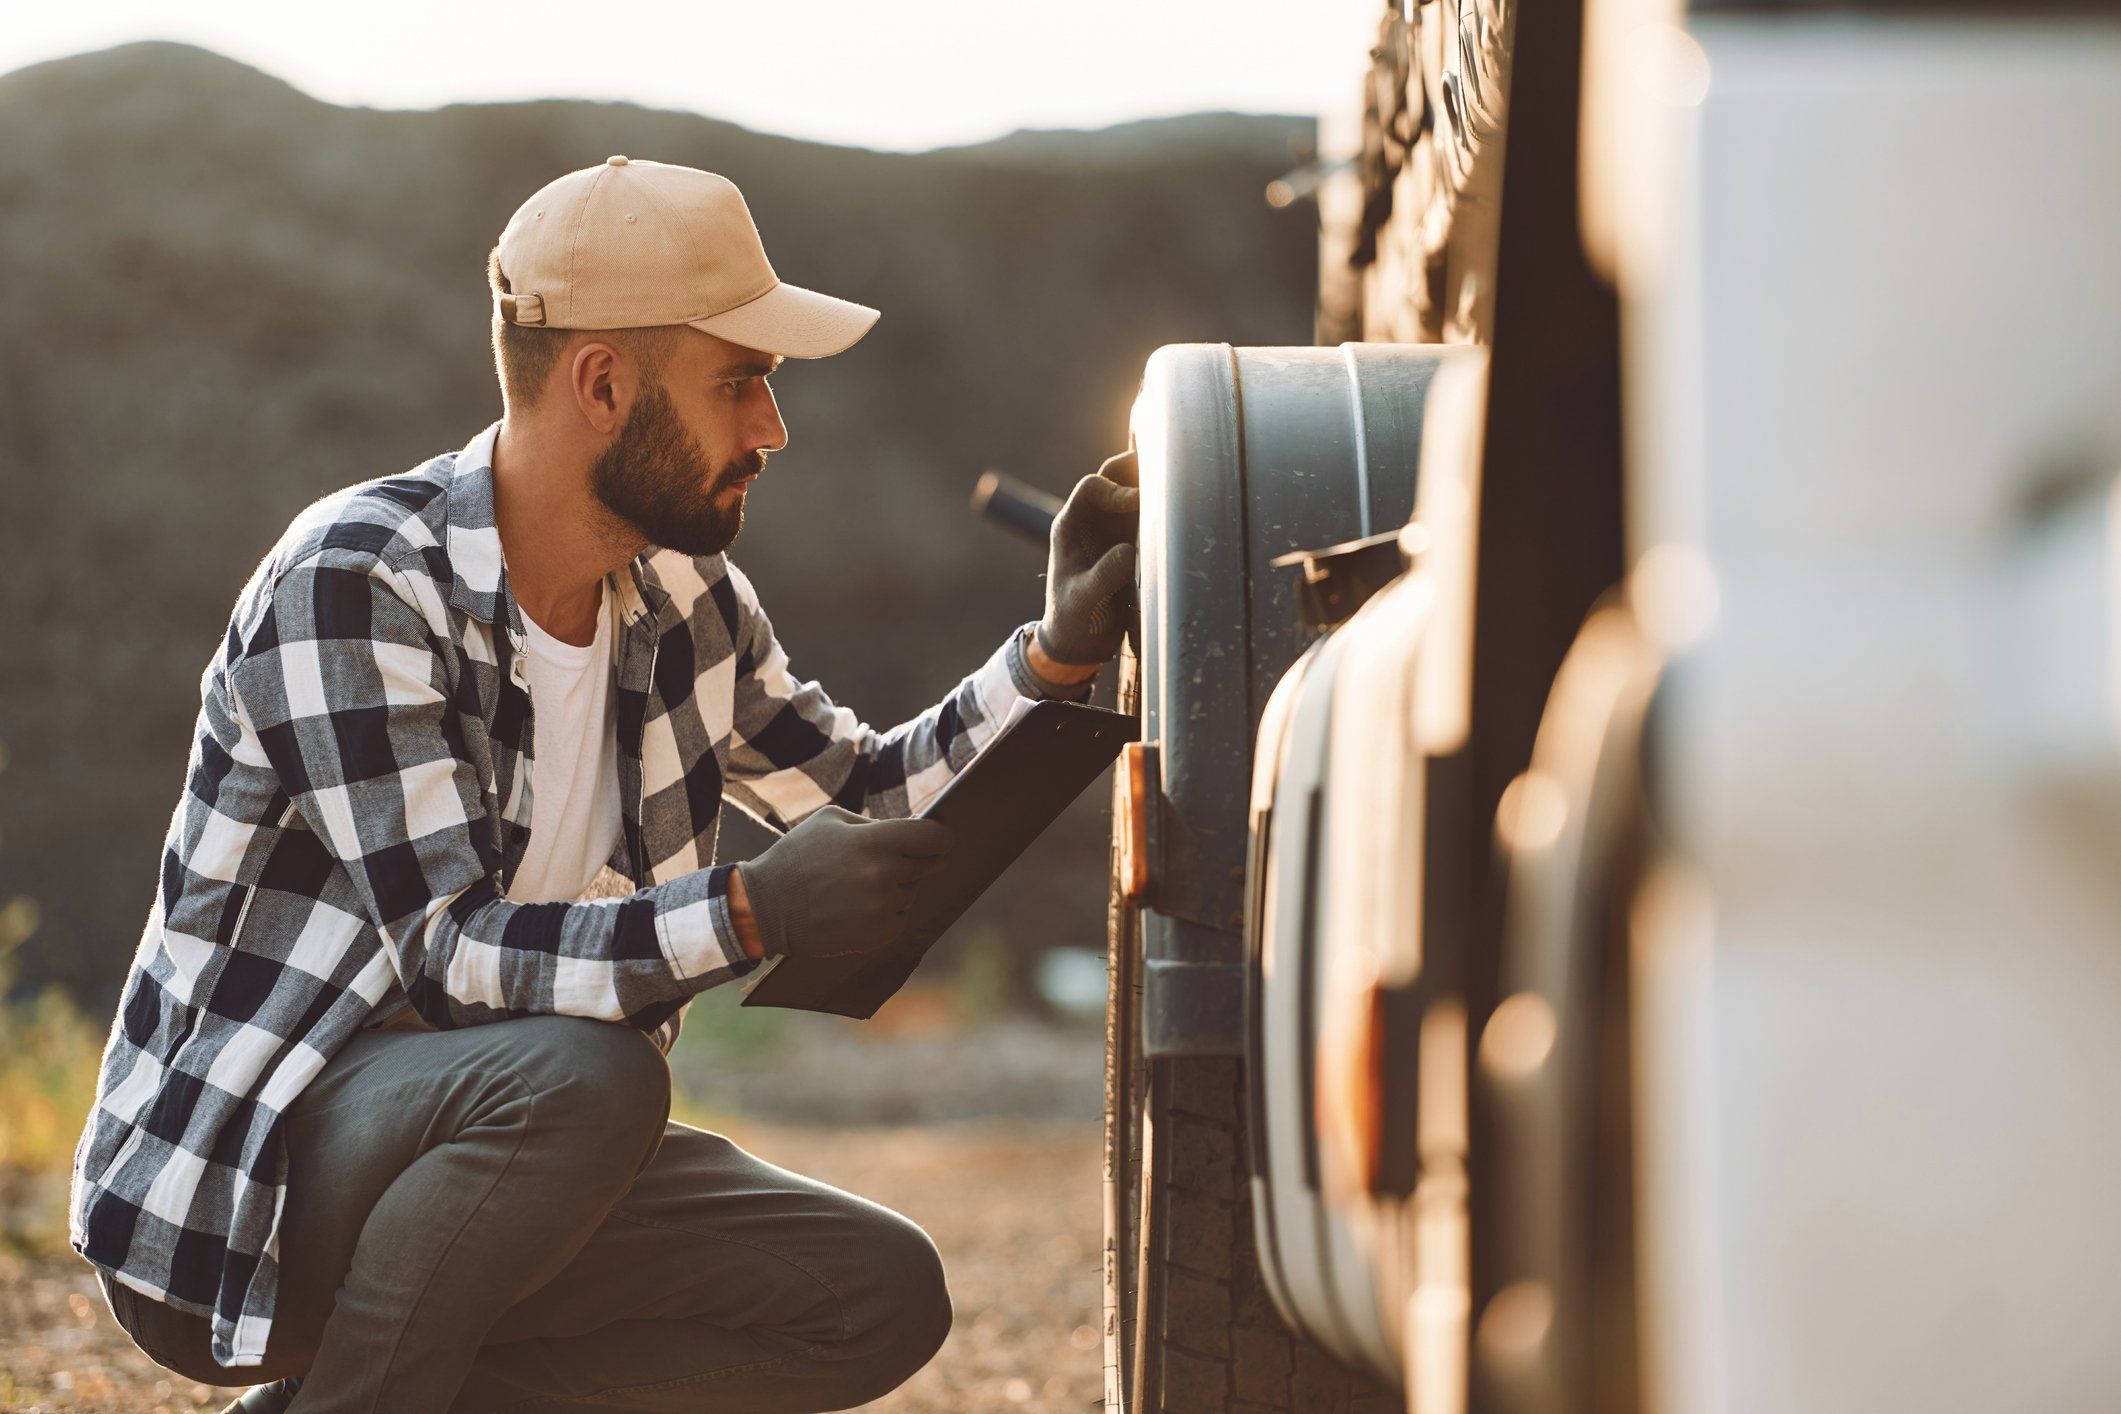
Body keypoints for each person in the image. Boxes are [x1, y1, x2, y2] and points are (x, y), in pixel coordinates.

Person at [68, 156, 1140, 1413]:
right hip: (251, 1199)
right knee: (590, 1077)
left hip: (516, 1163)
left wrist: (1055, 654)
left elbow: (867, 796)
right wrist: (748, 914)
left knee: (873, 1291)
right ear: (602, 382)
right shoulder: (357, 582)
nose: (770, 431)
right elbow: (452, 950)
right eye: (741, 384)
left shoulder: (687, 599)